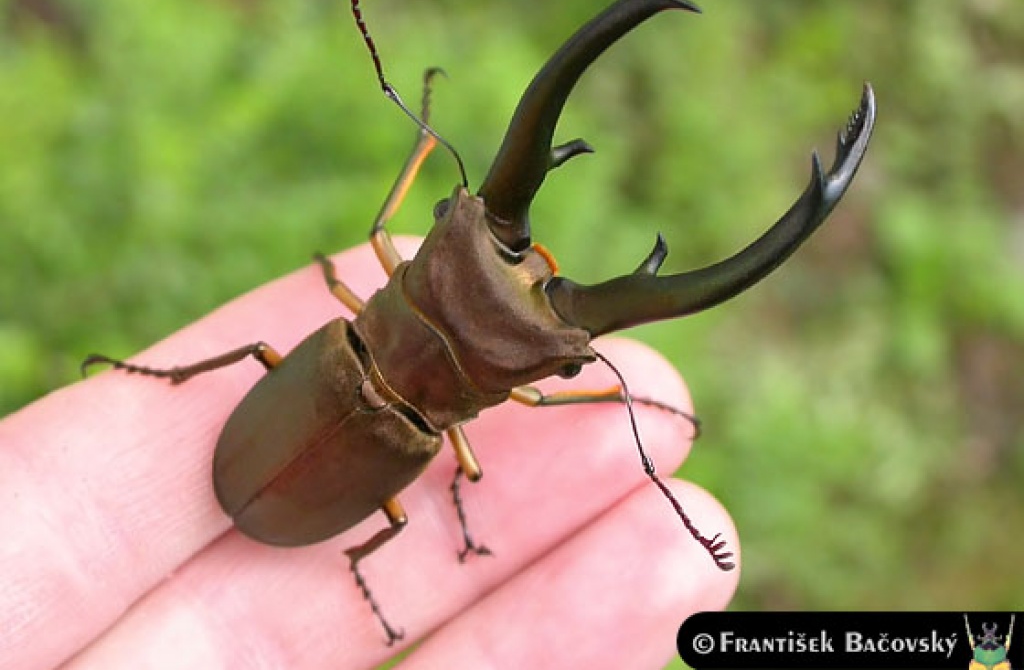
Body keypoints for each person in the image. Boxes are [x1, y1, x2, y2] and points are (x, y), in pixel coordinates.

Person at [0, 241, 739, 669]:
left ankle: (174, 381)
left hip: (282, 461)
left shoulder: (346, 320)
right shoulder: (452, 432)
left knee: (265, 352)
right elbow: (530, 406)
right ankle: (357, 563)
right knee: (409, 512)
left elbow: (370, 243)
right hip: (299, 484)